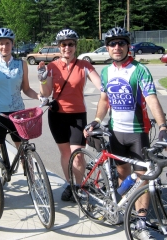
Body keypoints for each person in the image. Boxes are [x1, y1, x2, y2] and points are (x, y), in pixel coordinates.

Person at [84, 27, 167, 240]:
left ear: (128, 46)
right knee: (123, 174)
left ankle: (141, 219)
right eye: (112, 44)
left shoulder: (140, 70)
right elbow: (104, 100)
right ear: (108, 48)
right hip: (115, 132)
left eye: (121, 43)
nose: (117, 47)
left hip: (138, 132)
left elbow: (151, 99)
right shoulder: (106, 72)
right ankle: (127, 210)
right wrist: (96, 120)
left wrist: (163, 127)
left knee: (143, 177)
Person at [0, 28, 46, 208]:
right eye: (1, 43)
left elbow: (26, 89)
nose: (4, 46)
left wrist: (39, 96)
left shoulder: (21, 63)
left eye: (7, 43)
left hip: (18, 114)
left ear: (12, 44)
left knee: (26, 152)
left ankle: (34, 185)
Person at [37, 28, 102, 202]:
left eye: (71, 44)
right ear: (59, 47)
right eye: (64, 44)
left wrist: (110, 91)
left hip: (77, 115)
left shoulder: (84, 66)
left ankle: (79, 186)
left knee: (78, 154)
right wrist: (43, 79)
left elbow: (101, 85)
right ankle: (70, 184)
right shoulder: (52, 67)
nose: (67, 48)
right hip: (57, 115)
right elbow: (46, 92)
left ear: (75, 46)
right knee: (65, 153)